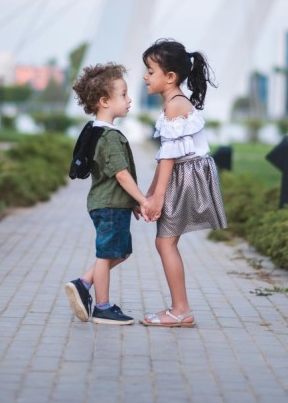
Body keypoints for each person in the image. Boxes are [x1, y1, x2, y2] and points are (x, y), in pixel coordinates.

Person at [139, 39, 228, 328]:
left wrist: (157, 197)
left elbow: (170, 159)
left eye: (150, 71)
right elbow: (166, 155)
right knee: (165, 242)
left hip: (187, 177)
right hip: (185, 174)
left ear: (170, 77)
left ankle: (181, 310)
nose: (145, 77)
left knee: (165, 242)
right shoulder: (174, 103)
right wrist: (151, 192)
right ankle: (180, 308)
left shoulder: (175, 106)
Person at [64, 63, 156, 325]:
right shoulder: (110, 137)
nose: (129, 100)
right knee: (106, 255)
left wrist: (133, 204)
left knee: (120, 252)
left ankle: (83, 283)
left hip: (109, 204)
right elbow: (121, 175)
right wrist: (143, 200)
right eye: (124, 94)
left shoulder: (97, 131)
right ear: (104, 101)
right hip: (110, 206)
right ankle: (102, 307)